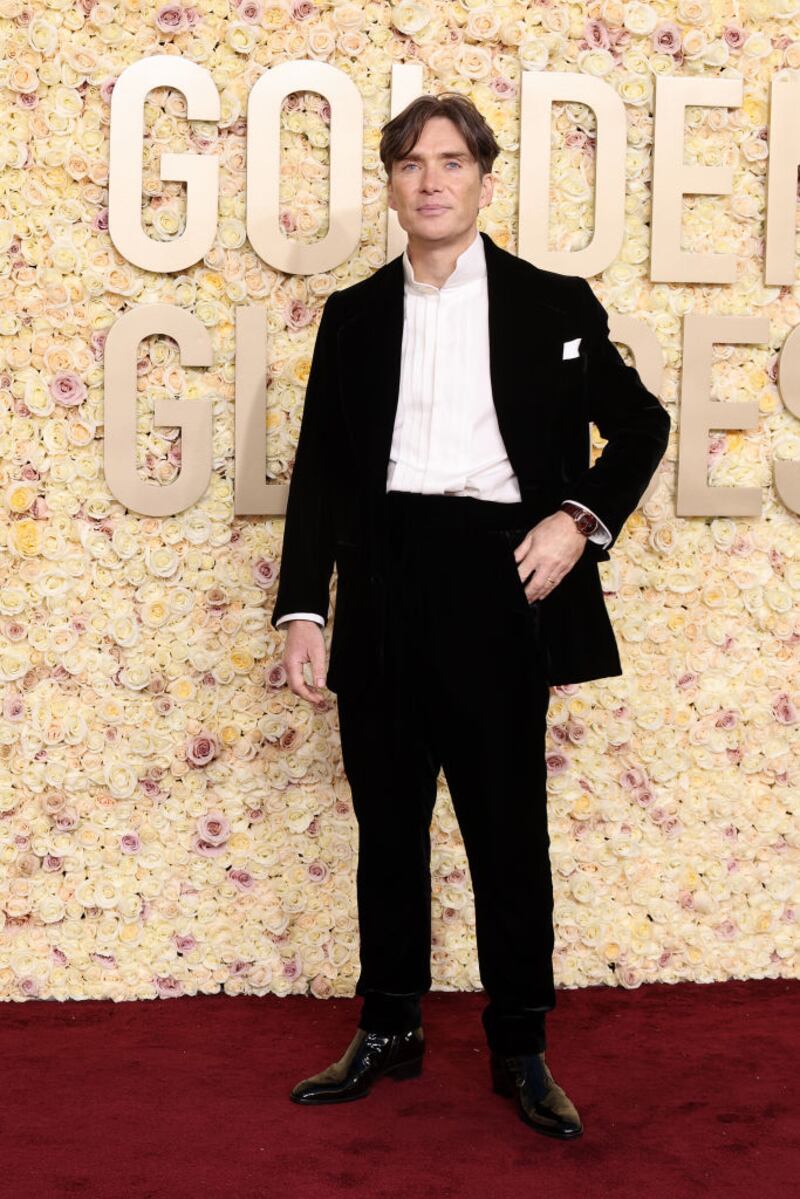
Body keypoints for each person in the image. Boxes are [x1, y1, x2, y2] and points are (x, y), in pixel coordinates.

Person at [270, 93, 670, 1139]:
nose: (431, 180)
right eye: (409, 164)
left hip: (499, 578)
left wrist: (576, 519)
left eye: (450, 161)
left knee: (504, 827)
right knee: (387, 824)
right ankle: (388, 1026)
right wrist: (304, 608)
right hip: (383, 578)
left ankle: (520, 1045)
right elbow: (318, 473)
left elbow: (640, 425)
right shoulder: (353, 314)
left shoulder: (550, 302)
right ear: (391, 185)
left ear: (482, 177)